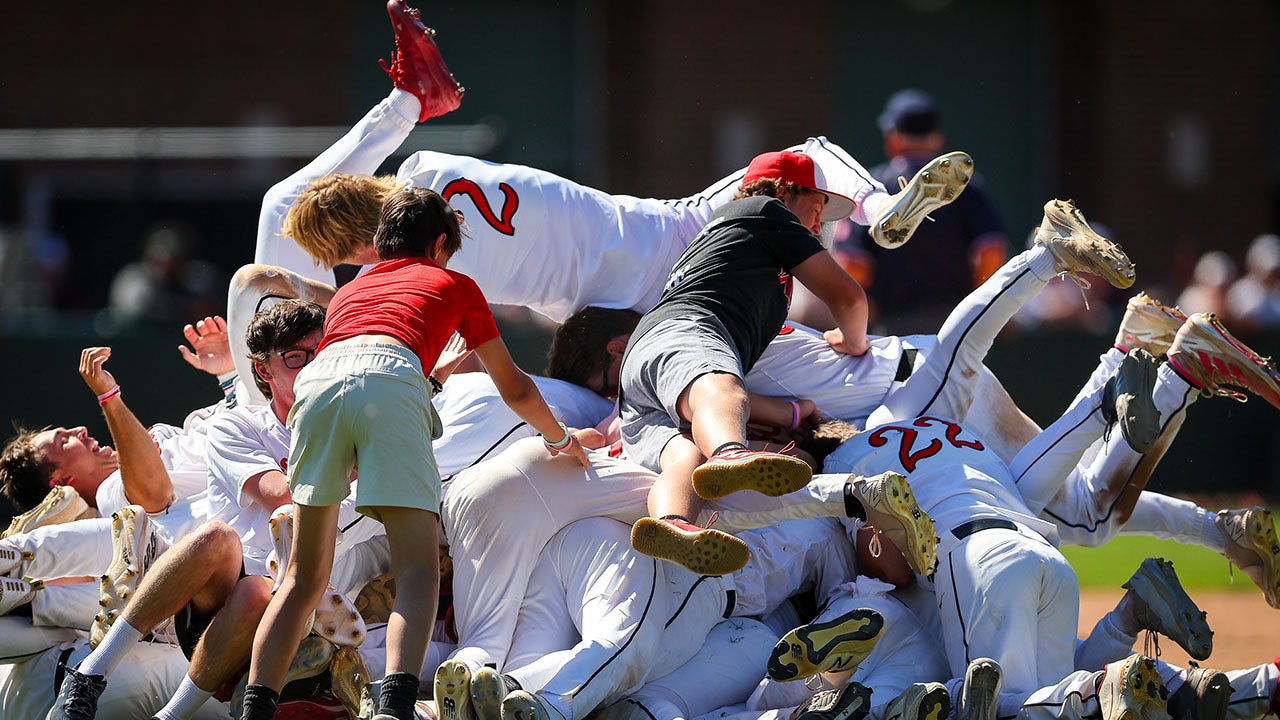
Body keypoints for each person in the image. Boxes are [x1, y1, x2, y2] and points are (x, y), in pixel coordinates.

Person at [235, 187, 588, 720]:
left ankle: (253, 712)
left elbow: (360, 361)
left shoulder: (354, 289)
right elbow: (514, 389)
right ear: (441, 242)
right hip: (392, 384)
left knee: (305, 576)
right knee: (418, 570)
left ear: (380, 242)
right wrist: (560, 440)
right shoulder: (456, 284)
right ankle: (394, 710)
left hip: (317, 390)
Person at [620, 148, 970, 576]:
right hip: (686, 330)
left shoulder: (732, 239)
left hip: (643, 367)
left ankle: (672, 524)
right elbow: (849, 296)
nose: (821, 223)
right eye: (818, 206)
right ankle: (729, 453)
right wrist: (853, 339)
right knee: (722, 387)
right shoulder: (765, 210)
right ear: (785, 191)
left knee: (684, 457)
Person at [848, 89, 1007, 335]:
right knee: (952, 374)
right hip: (954, 323)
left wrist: (867, 312)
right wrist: (978, 307)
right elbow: (990, 250)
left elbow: (853, 264)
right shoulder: (968, 186)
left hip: (895, 324)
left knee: (902, 375)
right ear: (936, 138)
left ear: (892, 138)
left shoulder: (872, 188)